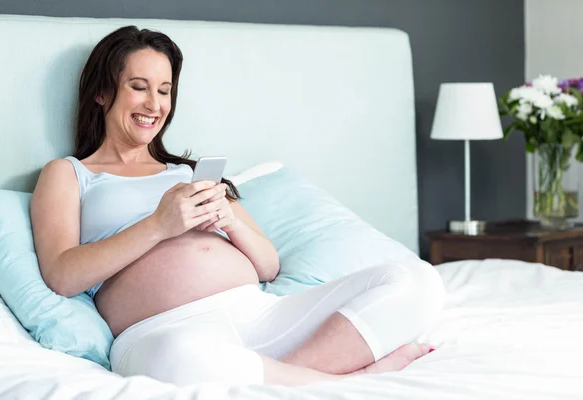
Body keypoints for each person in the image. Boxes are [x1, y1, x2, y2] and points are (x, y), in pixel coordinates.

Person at [30, 26, 446, 387]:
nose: (154, 105)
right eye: (138, 86)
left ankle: (278, 376)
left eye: (164, 90)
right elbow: (63, 275)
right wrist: (159, 225)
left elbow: (268, 267)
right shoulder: (70, 174)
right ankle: (349, 381)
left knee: (416, 281)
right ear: (102, 93)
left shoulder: (187, 173)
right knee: (181, 361)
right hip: (164, 332)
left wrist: (231, 221)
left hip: (260, 314)